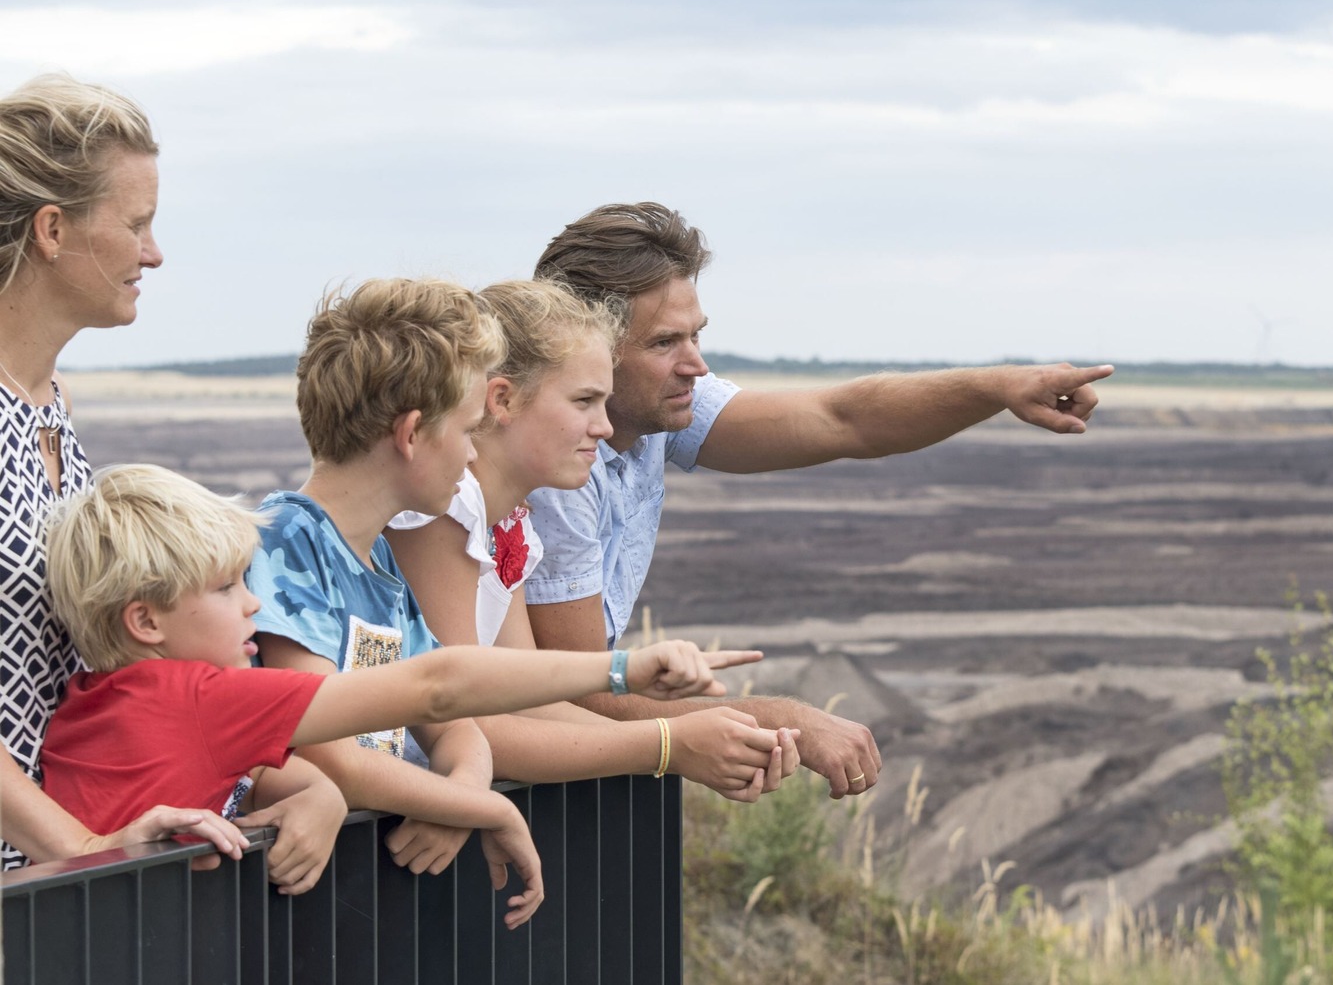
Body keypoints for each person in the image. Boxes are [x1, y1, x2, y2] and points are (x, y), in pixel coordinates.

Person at [524, 202, 1115, 799]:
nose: (695, 365)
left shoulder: (650, 411)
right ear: (589, 347)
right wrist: (783, 721)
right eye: (664, 343)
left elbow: (843, 419)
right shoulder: (554, 468)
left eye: (696, 335)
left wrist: (999, 387)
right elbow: (576, 695)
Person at [37, 463, 755, 925]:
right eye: (226, 589)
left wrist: (320, 794)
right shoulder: (200, 695)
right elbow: (436, 686)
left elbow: (251, 773)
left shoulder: (90, 703)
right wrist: (617, 673)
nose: (253, 603)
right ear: (146, 622)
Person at [0, 73, 343, 877]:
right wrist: (85, 851)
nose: (153, 253)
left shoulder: (49, 403)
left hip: (48, 876)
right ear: (52, 229)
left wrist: (305, 786)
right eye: (136, 224)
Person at [385, 279, 799, 799]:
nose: (603, 428)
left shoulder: (509, 519)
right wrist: (669, 746)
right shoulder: (447, 510)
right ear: (502, 399)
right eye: (584, 401)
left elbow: (522, 698)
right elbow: (459, 714)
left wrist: (696, 743)